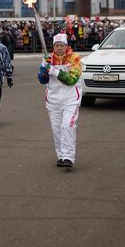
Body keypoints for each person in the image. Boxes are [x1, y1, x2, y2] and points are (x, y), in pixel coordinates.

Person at [37, 33, 83, 169]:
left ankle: (68, 157)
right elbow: (42, 80)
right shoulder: (48, 58)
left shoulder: (75, 58)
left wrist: (54, 71)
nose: (59, 48)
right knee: (56, 129)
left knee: (67, 126)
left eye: (61, 45)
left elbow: (71, 80)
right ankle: (61, 156)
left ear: (66, 45)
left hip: (71, 99)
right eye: (56, 46)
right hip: (53, 100)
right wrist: (44, 72)